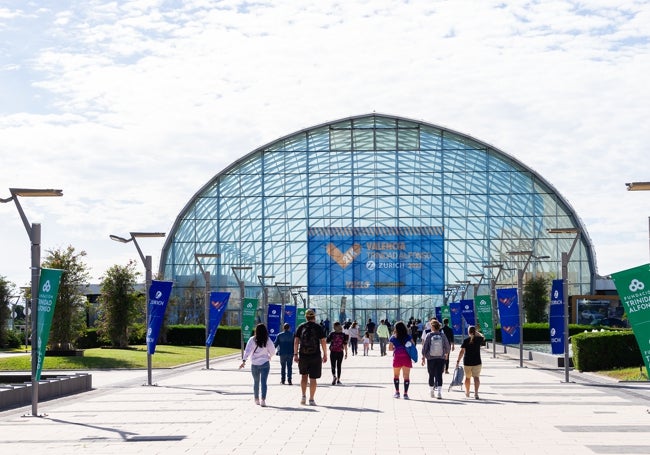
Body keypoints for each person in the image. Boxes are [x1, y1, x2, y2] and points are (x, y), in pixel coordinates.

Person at [293, 309, 327, 405]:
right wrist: (325, 354)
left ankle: (303, 396)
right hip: (315, 355)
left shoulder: (301, 327)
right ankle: (311, 399)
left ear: (306, 317)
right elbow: (323, 341)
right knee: (313, 378)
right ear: (314, 317)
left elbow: (296, 341)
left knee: (304, 376)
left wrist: (295, 354)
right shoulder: (318, 327)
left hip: (303, 355)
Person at [239, 323, 276, 407]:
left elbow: (247, 351)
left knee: (256, 382)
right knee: (264, 382)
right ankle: (263, 400)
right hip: (265, 363)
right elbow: (273, 351)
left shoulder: (252, 339)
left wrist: (244, 360)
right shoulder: (267, 340)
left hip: (254, 364)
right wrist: (270, 356)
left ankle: (256, 399)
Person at [421, 319, 451, 399]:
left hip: (430, 358)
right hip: (441, 358)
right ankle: (439, 393)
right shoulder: (442, 335)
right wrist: (446, 354)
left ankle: (431, 391)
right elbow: (447, 347)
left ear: (433, 327)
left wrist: (423, 357)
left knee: (431, 375)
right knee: (439, 375)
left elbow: (425, 347)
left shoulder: (429, 335)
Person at [456, 325, 485, 399]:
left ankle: (468, 392)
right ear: (474, 332)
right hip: (477, 361)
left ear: (468, 332)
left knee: (467, 378)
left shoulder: (466, 340)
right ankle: (476, 394)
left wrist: (458, 361)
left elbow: (462, 352)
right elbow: (483, 336)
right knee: (476, 378)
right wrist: (476, 332)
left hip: (467, 362)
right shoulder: (478, 339)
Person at [388, 320, 414, 399]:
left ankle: (397, 392)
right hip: (406, 357)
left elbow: (390, 348)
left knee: (396, 375)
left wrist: (396, 348)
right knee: (406, 376)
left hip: (397, 358)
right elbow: (413, 345)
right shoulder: (408, 337)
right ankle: (405, 394)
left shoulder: (393, 337)